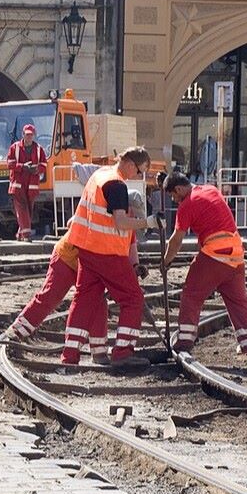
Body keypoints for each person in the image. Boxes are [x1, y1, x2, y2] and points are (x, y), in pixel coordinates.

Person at [61, 147, 159, 367]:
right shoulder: (117, 185)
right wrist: (149, 222)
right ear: (131, 164)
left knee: (84, 299)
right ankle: (123, 351)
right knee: (133, 298)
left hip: (86, 249)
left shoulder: (99, 175)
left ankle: (70, 355)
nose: (137, 176)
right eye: (139, 171)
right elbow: (121, 223)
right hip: (106, 252)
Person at [159, 172, 247, 369]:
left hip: (215, 254)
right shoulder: (211, 190)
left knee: (191, 294)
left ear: (179, 189)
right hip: (236, 254)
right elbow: (213, 219)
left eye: (173, 195)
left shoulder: (187, 204)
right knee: (238, 301)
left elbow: (176, 240)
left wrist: (165, 262)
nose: (174, 199)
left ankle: (184, 342)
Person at [7, 124, 48, 241]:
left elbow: (44, 165)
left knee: (28, 209)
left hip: (32, 186)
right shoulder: (15, 147)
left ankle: (20, 234)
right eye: (27, 135)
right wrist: (22, 167)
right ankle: (26, 235)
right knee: (22, 208)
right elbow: (9, 163)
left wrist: (36, 169)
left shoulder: (39, 149)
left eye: (31, 135)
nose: (29, 137)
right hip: (18, 185)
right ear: (23, 135)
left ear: (34, 135)